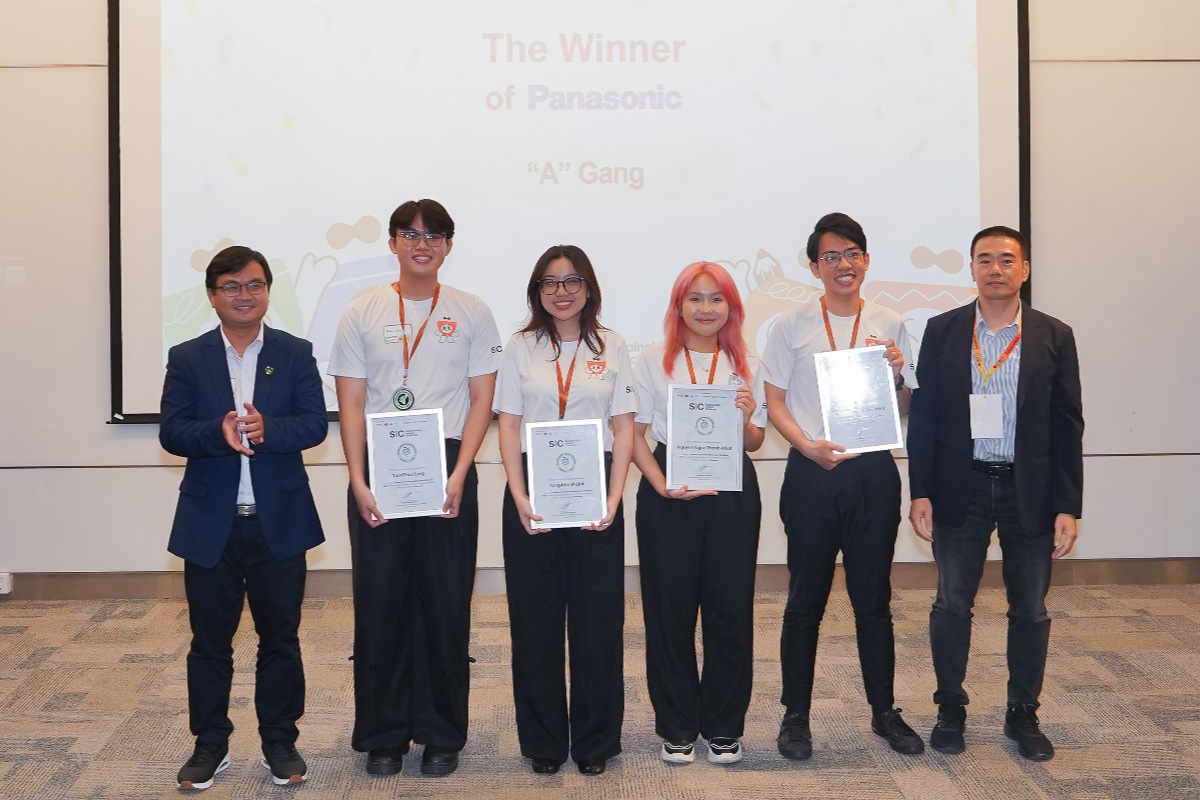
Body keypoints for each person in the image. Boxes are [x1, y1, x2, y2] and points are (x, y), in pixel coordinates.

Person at [328, 199, 501, 776]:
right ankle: (383, 734)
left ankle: (441, 733)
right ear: (393, 243)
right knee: (380, 603)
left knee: (445, 602)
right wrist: (357, 479)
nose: (421, 244)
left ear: (448, 245)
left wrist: (460, 472)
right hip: (380, 465)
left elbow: (482, 400)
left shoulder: (472, 311)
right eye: (410, 234)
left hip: (448, 465)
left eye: (433, 235)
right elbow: (351, 403)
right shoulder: (362, 310)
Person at [907, 225, 1083, 761]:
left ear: (1024, 269)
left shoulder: (1055, 335)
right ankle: (950, 708)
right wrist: (921, 491)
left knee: (1029, 608)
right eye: (985, 259)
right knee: (951, 604)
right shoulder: (942, 330)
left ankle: (1022, 712)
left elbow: (1067, 425)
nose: (996, 269)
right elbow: (925, 417)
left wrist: (1068, 505)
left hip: (1029, 490)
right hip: (959, 486)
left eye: (1007, 259)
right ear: (972, 269)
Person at [161, 245, 327, 790]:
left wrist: (268, 429)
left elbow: (314, 424)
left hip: (279, 522)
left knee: (281, 638)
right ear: (212, 296)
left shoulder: (294, 352)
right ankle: (210, 744)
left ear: (267, 292)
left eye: (254, 285)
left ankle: (280, 742)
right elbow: (172, 431)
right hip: (212, 525)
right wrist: (218, 432)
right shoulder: (188, 357)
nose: (244, 295)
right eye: (231, 286)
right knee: (210, 642)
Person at [760, 212, 924, 760]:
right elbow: (774, 401)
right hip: (812, 473)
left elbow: (904, 407)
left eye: (852, 253)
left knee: (872, 600)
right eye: (830, 256)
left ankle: (884, 711)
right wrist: (806, 446)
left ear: (867, 260)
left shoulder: (890, 322)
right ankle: (795, 717)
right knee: (805, 600)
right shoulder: (790, 324)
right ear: (814, 267)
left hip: (872, 473)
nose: (843, 264)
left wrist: (897, 373)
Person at [494, 244, 636, 776]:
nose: (561, 291)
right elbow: (509, 424)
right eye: (550, 282)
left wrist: (614, 496)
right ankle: (544, 742)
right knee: (535, 621)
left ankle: (595, 741)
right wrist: (519, 493)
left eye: (572, 280)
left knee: (598, 621)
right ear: (537, 290)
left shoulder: (613, 345)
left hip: (595, 486)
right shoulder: (519, 346)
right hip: (534, 487)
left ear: (588, 287)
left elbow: (623, 426)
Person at [631, 262, 766, 766]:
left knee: (730, 608)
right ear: (678, 306)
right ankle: (677, 725)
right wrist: (659, 483)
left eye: (716, 299)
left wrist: (747, 418)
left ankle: (725, 725)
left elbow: (755, 441)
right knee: (670, 610)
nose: (706, 309)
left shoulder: (747, 359)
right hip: (669, 488)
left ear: (731, 307)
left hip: (732, 490)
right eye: (695, 298)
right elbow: (634, 433)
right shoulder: (652, 360)